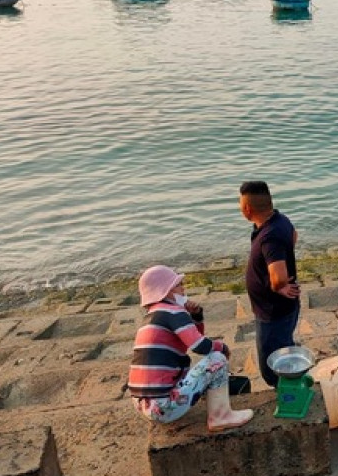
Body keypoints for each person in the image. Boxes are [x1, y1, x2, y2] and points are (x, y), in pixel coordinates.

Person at [128, 265, 253, 431]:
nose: (183, 289)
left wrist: (196, 316)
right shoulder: (173, 312)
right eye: (179, 285)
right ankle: (221, 416)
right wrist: (222, 347)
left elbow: (194, 336)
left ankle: (204, 403)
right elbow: (200, 346)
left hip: (143, 405)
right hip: (164, 408)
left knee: (205, 361)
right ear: (167, 291)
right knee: (217, 360)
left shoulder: (152, 316)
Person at [239, 181, 300, 388]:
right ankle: (291, 381)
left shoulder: (269, 237)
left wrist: (278, 286)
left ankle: (286, 391)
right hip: (282, 309)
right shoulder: (280, 220)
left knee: (271, 363)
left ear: (247, 208)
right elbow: (293, 236)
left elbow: (278, 275)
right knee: (284, 345)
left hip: (272, 312)